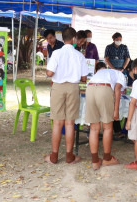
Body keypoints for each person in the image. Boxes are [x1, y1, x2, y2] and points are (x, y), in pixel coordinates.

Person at [44, 27, 88, 165]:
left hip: (57, 87)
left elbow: (50, 73)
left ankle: (54, 156)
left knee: (57, 123)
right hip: (73, 88)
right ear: (74, 39)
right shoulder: (79, 55)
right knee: (70, 123)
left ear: (62, 39)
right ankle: (69, 156)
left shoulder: (57, 53)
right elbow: (84, 78)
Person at [85, 62, 126, 170]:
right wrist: (116, 110)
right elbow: (117, 90)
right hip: (104, 89)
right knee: (107, 127)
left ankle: (95, 161)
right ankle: (107, 159)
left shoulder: (102, 72)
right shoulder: (121, 75)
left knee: (94, 128)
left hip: (90, 89)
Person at [104, 32, 130, 137]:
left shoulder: (124, 47)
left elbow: (127, 58)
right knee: (113, 98)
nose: (119, 40)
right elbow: (106, 59)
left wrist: (122, 68)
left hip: (122, 72)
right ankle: (115, 128)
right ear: (113, 39)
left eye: (120, 38)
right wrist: (113, 69)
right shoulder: (109, 47)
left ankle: (124, 129)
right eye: (117, 39)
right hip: (112, 72)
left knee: (122, 96)